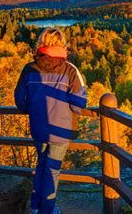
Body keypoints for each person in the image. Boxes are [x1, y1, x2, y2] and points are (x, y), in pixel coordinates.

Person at [14, 27, 87, 214]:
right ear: (61, 44)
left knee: (41, 164)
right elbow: (79, 104)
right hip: (60, 130)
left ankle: (35, 207)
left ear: (42, 43)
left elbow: (20, 101)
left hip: (38, 127)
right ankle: (48, 209)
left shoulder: (29, 69)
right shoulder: (70, 70)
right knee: (53, 169)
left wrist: (35, 108)